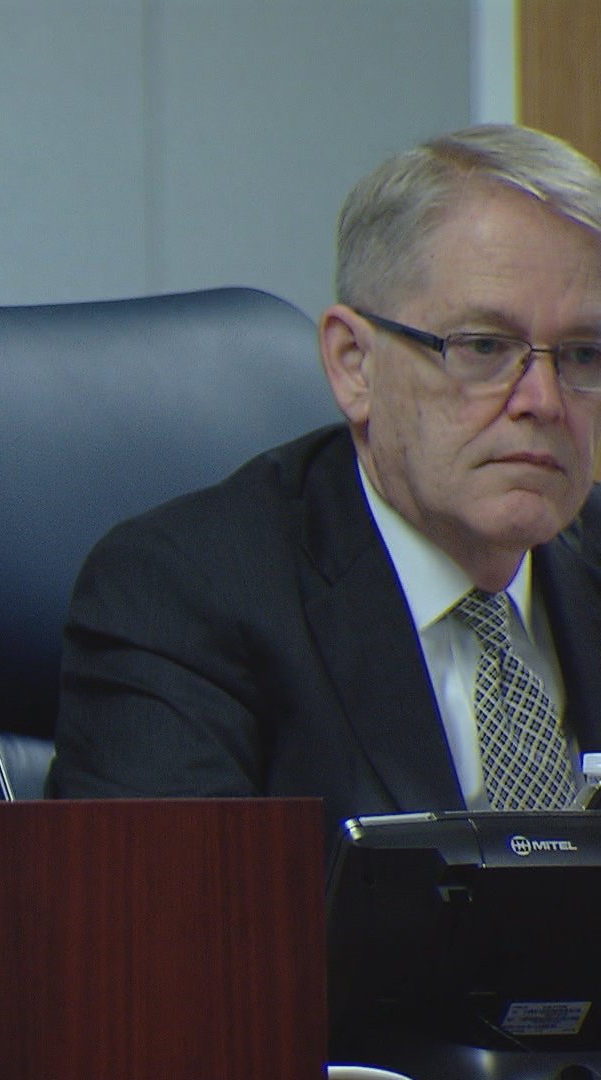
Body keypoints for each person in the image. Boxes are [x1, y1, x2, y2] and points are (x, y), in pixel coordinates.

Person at [49, 124, 601, 851]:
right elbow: (171, 943)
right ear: (353, 366)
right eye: (484, 348)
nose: (543, 399)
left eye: (583, 354)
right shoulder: (181, 597)